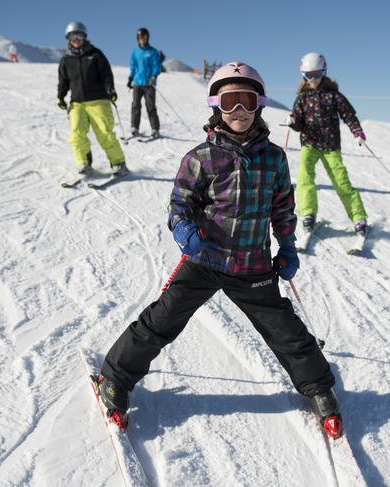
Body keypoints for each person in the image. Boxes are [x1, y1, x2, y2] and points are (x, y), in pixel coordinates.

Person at [97, 61, 344, 440]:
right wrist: (183, 229)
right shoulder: (201, 157)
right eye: (230, 102)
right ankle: (115, 377)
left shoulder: (274, 158)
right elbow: (180, 203)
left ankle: (319, 388)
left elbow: (282, 207)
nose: (239, 111)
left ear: (260, 103)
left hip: (253, 264)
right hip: (205, 260)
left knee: (285, 331)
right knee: (162, 320)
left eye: (246, 101)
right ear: (217, 106)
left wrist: (288, 245)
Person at [286, 52, 368, 235]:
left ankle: (358, 217)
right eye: (309, 75)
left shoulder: (334, 96)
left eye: (317, 74)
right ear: (303, 76)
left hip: (331, 146)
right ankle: (308, 213)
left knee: (341, 181)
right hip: (309, 144)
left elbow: (349, 115)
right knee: (304, 178)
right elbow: (299, 124)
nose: (313, 79)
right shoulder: (302, 99)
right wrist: (293, 122)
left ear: (324, 72)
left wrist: (357, 132)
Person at [57, 22, 127, 176]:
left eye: (79, 35)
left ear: (84, 37)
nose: (76, 39)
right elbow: (63, 81)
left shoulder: (95, 54)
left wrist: (111, 89)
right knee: (76, 134)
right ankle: (83, 163)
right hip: (77, 102)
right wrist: (60, 97)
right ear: (68, 39)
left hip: (98, 101)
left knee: (104, 133)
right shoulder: (66, 60)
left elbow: (106, 74)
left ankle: (118, 163)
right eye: (72, 36)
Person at [127, 27, 162, 138]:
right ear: (138, 38)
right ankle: (134, 128)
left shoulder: (153, 52)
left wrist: (153, 76)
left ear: (147, 37)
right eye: (141, 37)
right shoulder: (135, 52)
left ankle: (155, 129)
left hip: (149, 84)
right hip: (138, 83)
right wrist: (130, 78)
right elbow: (133, 67)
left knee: (150, 106)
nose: (143, 39)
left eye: (144, 37)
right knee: (135, 105)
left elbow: (157, 66)